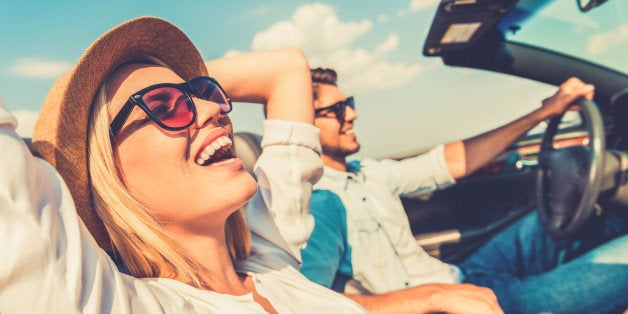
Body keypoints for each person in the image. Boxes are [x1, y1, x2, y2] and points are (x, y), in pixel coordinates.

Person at [0, 17, 370, 313]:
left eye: (206, 92)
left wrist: (181, 81)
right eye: (164, 105)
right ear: (109, 174)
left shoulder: (268, 252)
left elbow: (287, 68)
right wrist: (79, 107)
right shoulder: (118, 302)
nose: (215, 110)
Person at [299, 67, 628, 313]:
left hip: (467, 274)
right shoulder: (318, 203)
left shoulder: (368, 173)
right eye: (338, 110)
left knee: (565, 219)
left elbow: (451, 160)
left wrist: (544, 112)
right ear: (304, 124)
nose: (353, 114)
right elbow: (310, 303)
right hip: (457, 306)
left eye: (350, 103)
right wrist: (434, 298)